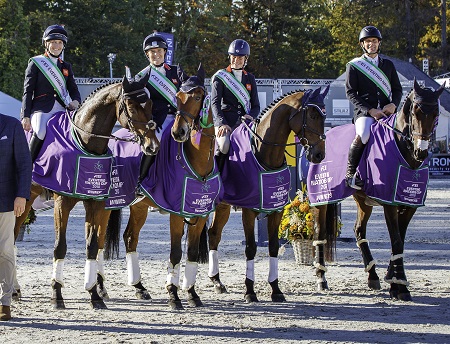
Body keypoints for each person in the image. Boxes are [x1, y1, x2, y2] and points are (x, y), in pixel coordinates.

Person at [345, 26, 402, 189]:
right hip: (365, 113)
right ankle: (350, 174)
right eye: (368, 41)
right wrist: (370, 110)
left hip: (387, 112)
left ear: (379, 43)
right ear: (363, 44)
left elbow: (397, 89)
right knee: (363, 134)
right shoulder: (354, 66)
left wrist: (393, 104)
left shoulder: (388, 65)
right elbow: (350, 93)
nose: (372, 44)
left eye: (374, 41)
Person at [21, 24, 81, 162]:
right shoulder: (36, 63)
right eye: (53, 42)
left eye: (60, 43)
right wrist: (25, 116)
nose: (57, 46)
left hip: (63, 108)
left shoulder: (66, 66)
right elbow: (28, 91)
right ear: (46, 44)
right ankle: (28, 166)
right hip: (42, 108)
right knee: (41, 131)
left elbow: (74, 90)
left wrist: (76, 101)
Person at [136, 32, 185, 183]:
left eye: (159, 51)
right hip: (157, 120)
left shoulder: (176, 71)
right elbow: (139, 105)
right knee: (153, 144)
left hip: (180, 117)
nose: (156, 55)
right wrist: (150, 120)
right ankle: (141, 180)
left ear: (165, 52)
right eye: (152, 52)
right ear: (147, 54)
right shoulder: (142, 76)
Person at [0, 113, 32, 321]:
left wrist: (22, 195)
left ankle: (5, 301)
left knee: (4, 250)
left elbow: (24, 163)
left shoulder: (11, 125)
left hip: (4, 200)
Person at [211, 39, 260, 172]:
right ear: (230, 57)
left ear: (246, 59)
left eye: (240, 58)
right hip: (225, 122)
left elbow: (256, 106)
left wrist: (250, 116)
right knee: (224, 145)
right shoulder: (220, 77)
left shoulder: (250, 78)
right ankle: (217, 175)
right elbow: (215, 103)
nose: (236, 60)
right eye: (234, 57)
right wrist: (221, 123)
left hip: (245, 124)